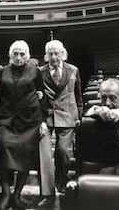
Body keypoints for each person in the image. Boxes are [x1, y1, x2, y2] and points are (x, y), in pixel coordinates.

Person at [0, 40, 45, 210]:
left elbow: (42, 97)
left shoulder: (35, 71)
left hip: (30, 121)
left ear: (27, 55)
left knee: (25, 158)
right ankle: (6, 194)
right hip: (6, 119)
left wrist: (43, 121)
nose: (19, 57)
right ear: (10, 55)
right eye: (16, 53)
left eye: (22, 54)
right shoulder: (2, 72)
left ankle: (17, 196)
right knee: (5, 155)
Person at [38, 40, 83, 206]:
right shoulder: (39, 72)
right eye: (50, 53)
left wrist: (79, 115)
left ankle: (62, 181)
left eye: (57, 53)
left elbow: (78, 95)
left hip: (67, 115)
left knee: (63, 152)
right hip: (46, 117)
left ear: (63, 54)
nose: (54, 57)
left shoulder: (73, 70)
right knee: (44, 155)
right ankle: (47, 193)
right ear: (46, 56)